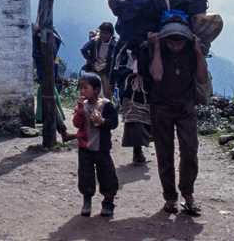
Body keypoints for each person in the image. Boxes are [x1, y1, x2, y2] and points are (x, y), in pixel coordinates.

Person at [138, 18, 208, 216]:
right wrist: (158, 47)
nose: (176, 46)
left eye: (180, 43)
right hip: (161, 107)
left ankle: (188, 194)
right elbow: (157, 76)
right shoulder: (155, 49)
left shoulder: (192, 51)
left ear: (187, 40)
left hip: (186, 107)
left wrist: (197, 51)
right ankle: (170, 197)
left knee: (190, 150)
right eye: (171, 42)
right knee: (165, 153)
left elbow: (202, 78)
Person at [72, 71, 119, 218]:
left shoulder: (107, 106)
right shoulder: (82, 107)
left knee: (107, 176)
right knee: (85, 176)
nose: (82, 91)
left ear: (96, 90)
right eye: (81, 88)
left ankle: (108, 203)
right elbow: (76, 124)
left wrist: (102, 122)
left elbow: (114, 123)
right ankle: (87, 202)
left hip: (102, 149)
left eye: (86, 88)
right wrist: (79, 110)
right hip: (85, 148)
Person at [111, 38, 151, 164]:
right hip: (129, 83)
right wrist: (113, 80)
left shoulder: (153, 39)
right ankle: (137, 150)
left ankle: (141, 147)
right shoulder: (124, 41)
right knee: (134, 116)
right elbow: (115, 60)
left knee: (147, 115)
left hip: (148, 83)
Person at [32, 26, 75, 142]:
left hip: (50, 81)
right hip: (45, 82)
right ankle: (62, 133)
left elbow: (57, 41)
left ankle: (63, 132)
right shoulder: (40, 55)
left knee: (54, 106)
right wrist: (37, 36)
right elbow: (37, 48)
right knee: (52, 106)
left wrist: (49, 31)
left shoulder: (52, 53)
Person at [80, 22, 117, 98]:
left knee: (107, 94)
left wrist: (110, 67)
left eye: (106, 33)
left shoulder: (115, 44)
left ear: (111, 34)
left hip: (106, 72)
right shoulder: (95, 41)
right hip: (95, 70)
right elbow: (83, 49)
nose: (103, 35)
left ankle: (106, 109)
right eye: (102, 32)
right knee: (93, 93)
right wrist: (90, 62)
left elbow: (118, 59)